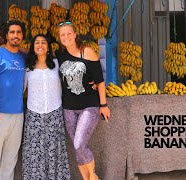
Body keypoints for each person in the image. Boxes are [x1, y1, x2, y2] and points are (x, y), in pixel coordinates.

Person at [56, 20, 111, 180]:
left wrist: (103, 104)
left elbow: (99, 81)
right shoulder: (59, 56)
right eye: (62, 35)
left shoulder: (87, 52)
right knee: (76, 147)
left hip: (89, 106)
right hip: (68, 107)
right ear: (60, 38)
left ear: (75, 35)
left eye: (68, 33)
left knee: (79, 143)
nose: (66, 37)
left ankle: (93, 176)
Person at [22, 34, 71, 179]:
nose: (40, 45)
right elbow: (20, 89)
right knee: (34, 151)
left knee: (55, 150)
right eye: (37, 42)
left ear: (48, 47)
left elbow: (71, 80)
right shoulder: (28, 68)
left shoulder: (57, 65)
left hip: (54, 113)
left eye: (43, 42)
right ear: (33, 47)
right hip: (34, 115)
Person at [0, 20, 26, 180]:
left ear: (22, 35)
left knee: (11, 158)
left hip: (18, 114)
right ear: (6, 35)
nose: (16, 35)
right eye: (12, 32)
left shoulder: (23, 57)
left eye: (19, 32)